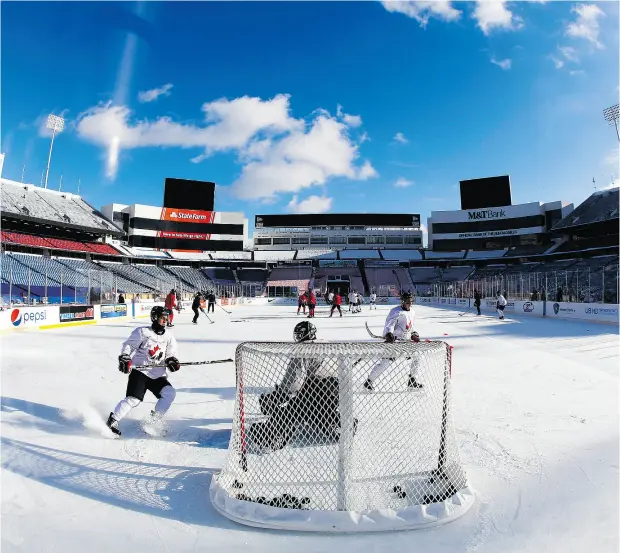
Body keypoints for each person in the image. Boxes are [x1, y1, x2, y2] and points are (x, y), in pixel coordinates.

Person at [249, 321, 348, 450]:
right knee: (319, 414)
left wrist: (282, 394)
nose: (296, 338)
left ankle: (274, 435)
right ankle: (340, 424)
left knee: (293, 409)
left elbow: (295, 380)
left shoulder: (302, 350)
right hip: (336, 393)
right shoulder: (326, 344)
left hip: (316, 392)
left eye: (298, 334)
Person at [106, 306, 180, 436]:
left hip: (158, 374)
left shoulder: (169, 337)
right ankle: (112, 421)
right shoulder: (142, 332)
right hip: (140, 372)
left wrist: (171, 361)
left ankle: (153, 421)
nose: (165, 320)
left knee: (169, 393)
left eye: (166, 318)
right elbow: (128, 346)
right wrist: (125, 357)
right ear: (154, 318)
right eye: (162, 317)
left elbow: (170, 354)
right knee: (133, 400)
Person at [363, 292, 422, 391]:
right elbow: (389, 324)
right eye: (408, 301)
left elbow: (411, 326)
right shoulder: (396, 311)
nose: (410, 304)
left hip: (405, 342)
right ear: (403, 301)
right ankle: (368, 382)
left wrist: (413, 333)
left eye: (411, 301)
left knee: (417, 356)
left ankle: (412, 380)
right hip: (394, 343)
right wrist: (389, 334)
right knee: (385, 363)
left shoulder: (412, 312)